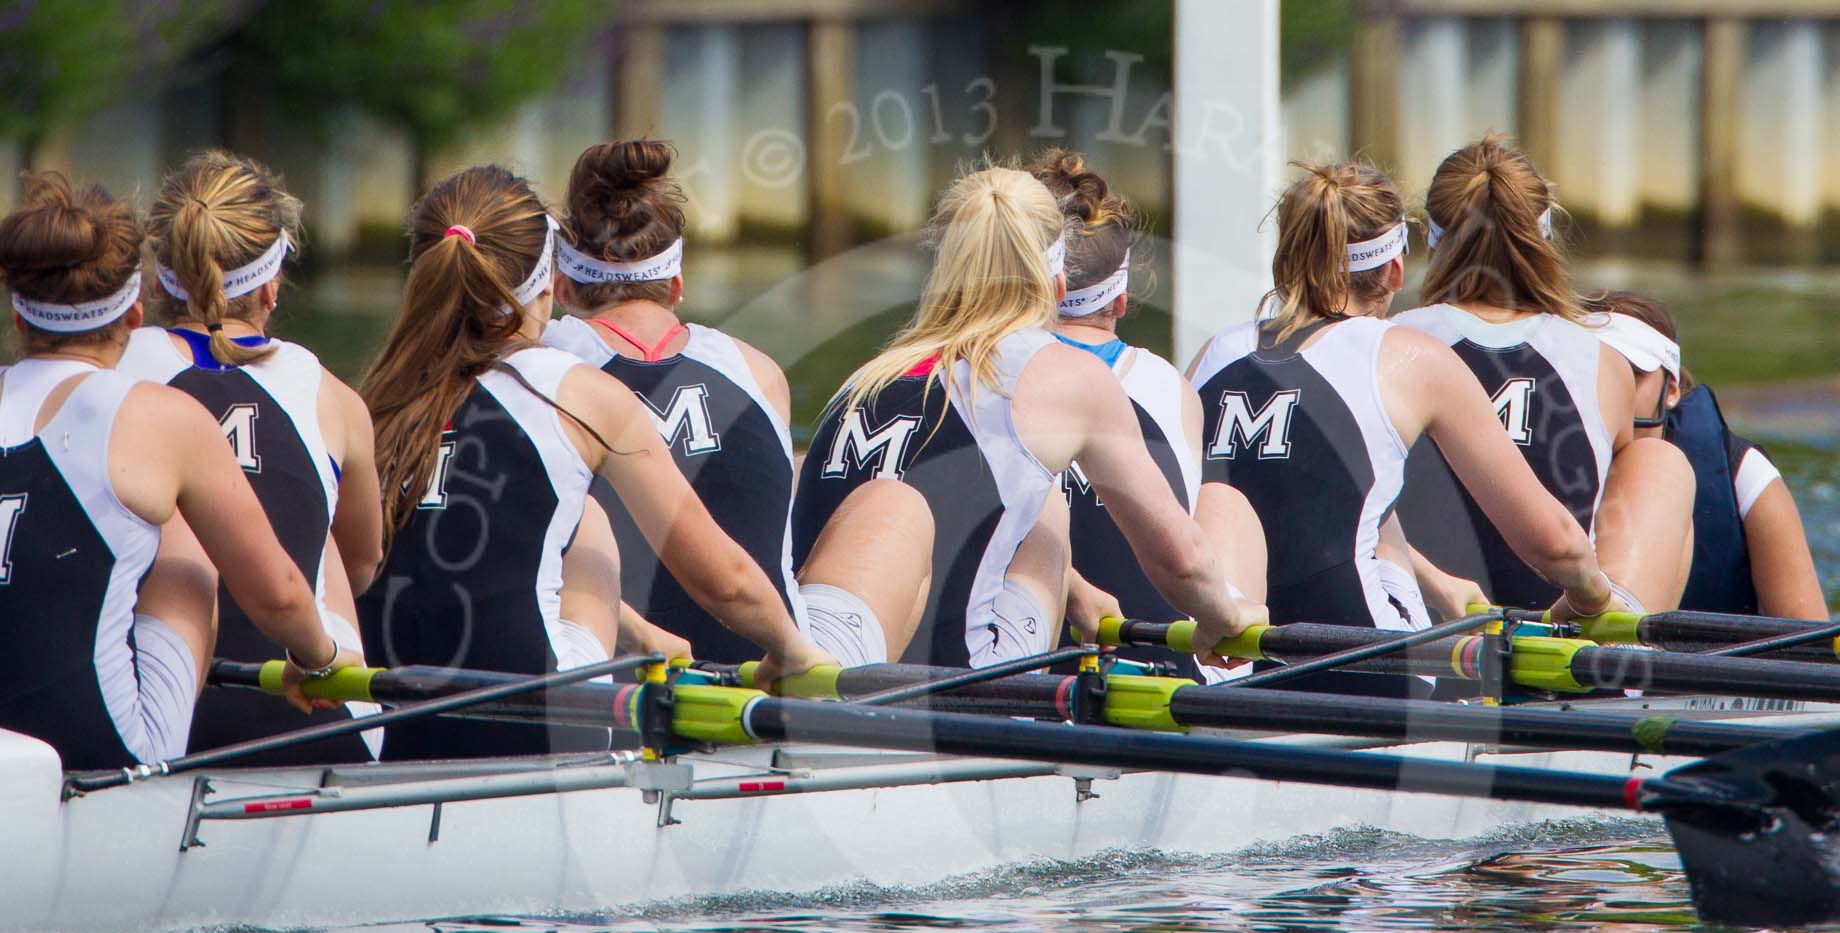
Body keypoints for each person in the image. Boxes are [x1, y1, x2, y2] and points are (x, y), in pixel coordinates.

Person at [355, 165, 826, 761]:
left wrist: (639, 632)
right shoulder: (574, 390)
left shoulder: (367, 399)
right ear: (548, 284)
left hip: (383, 726)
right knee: (589, 525)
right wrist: (793, 652)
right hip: (544, 726)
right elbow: (722, 578)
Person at [788, 165, 1258, 670]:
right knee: (1049, 507)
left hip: (837, 658)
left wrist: (1076, 589)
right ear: (1055, 282)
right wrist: (1225, 619)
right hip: (954, 689)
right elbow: (1179, 560)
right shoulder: (1066, 374)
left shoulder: (867, 377)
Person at [1187, 160, 1618, 694]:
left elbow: (1302, 500)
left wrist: (1438, 582)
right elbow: (1553, 542)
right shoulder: (1410, 357)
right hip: (1362, 662)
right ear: (1394, 273)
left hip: (1222, 660)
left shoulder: (1213, 353)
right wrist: (1593, 597)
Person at [0, 174, 355, 770]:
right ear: (134, 313)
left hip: (9, 743)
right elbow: (278, 593)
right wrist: (318, 660)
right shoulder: (163, 417)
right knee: (182, 549)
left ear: (17, 320)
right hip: (106, 750)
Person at [120, 150, 382, 764]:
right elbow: (366, 565)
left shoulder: (111, 372)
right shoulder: (336, 400)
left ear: (159, 278)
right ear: (272, 282)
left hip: (154, 714)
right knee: (331, 550)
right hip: (310, 715)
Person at [1394, 135, 1696, 615]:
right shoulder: (1602, 362)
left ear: (1430, 242)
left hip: (1416, 629)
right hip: (1555, 639)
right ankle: (1626, 653)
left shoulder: (1387, 342)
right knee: (1660, 462)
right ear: (1546, 237)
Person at [542, 138, 803, 667]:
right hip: (767, 677)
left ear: (562, 288)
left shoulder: (532, 367)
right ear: (676, 285)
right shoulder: (760, 371)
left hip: (606, 691)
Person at [1027, 147, 1202, 676]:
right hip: (1155, 667)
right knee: (1223, 499)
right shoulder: (1168, 388)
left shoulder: (979, 373)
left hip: (1016, 667)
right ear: (1120, 301)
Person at [1585, 290, 1828, 620]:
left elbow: (1812, 639)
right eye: (1595, 373)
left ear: (1670, 390)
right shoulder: (1539, 463)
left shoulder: (1745, 476)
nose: (1612, 392)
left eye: (1632, 374)